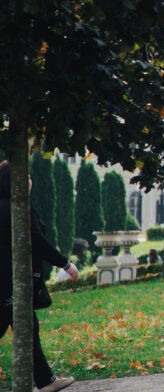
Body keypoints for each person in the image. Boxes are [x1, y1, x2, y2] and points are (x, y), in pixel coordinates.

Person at [1, 160, 80, 392]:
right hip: (11, 283)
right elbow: (38, 241)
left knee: (27, 328)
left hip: (6, 283)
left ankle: (46, 380)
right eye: (25, 176)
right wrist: (66, 264)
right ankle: (46, 381)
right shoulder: (18, 210)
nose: (29, 180)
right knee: (27, 327)